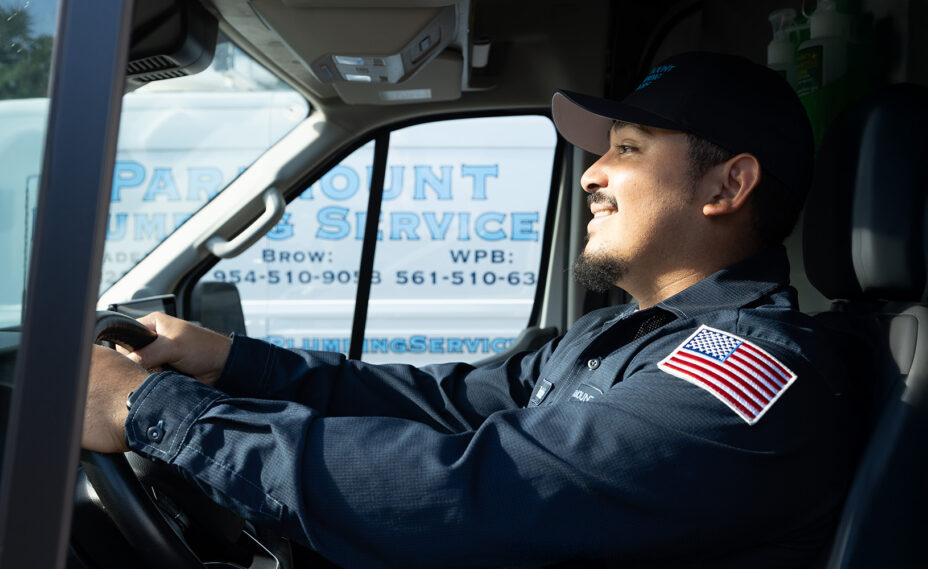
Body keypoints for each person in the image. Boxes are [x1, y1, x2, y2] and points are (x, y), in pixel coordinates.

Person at [83, 52, 863, 568]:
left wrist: (156, 412)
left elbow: (470, 494)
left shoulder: (746, 380)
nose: (593, 174)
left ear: (727, 187)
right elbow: (447, 404)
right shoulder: (618, 335)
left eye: (627, 148)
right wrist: (227, 361)